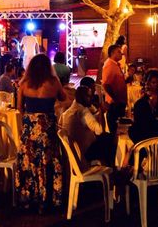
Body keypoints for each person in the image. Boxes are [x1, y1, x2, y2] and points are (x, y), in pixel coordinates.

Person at [15, 54, 65, 210]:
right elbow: (63, 98)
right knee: (47, 160)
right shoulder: (54, 82)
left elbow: (19, 108)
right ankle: (48, 196)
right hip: (47, 127)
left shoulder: (24, 84)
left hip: (30, 128)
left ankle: (30, 195)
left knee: (30, 161)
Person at [61, 86, 114, 168]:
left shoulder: (70, 111)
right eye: (89, 96)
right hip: (84, 152)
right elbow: (100, 130)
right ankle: (111, 168)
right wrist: (101, 112)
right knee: (108, 138)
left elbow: (88, 120)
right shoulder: (82, 111)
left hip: (73, 152)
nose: (92, 98)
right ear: (83, 97)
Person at [102, 44, 127, 134]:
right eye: (119, 52)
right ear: (112, 53)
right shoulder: (109, 65)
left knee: (119, 129)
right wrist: (116, 99)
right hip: (114, 104)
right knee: (116, 132)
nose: (122, 54)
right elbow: (106, 84)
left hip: (117, 102)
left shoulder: (115, 65)